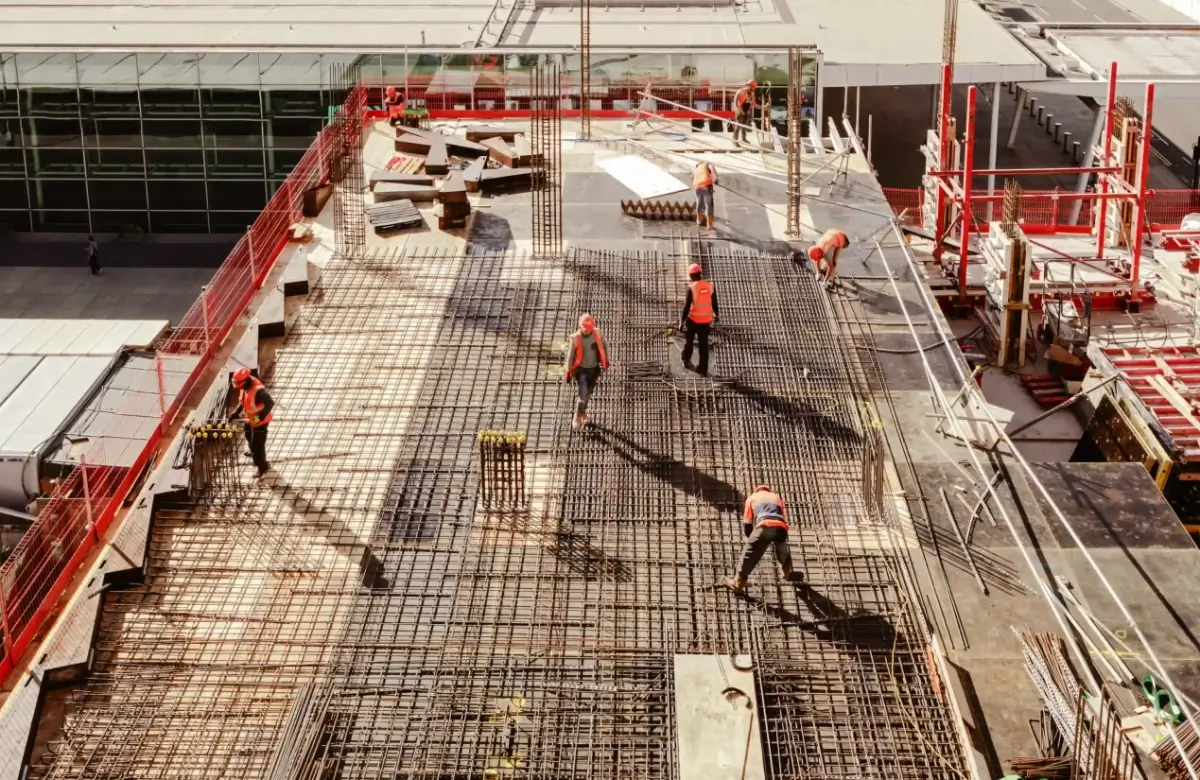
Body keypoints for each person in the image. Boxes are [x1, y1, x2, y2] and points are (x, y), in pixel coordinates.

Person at [724, 484, 797, 593]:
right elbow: (782, 516)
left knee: (748, 554)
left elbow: (748, 522)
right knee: (782, 550)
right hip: (781, 527)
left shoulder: (752, 497)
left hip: (765, 526)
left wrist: (752, 539)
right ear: (769, 490)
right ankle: (787, 573)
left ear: (757, 490)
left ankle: (738, 584)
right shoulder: (777, 498)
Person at [564, 313, 610, 430]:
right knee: (583, 393)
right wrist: (568, 369)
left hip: (594, 369)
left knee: (588, 393)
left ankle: (582, 413)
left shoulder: (597, 333)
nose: (587, 332)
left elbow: (604, 346)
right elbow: (570, 355)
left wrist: (606, 361)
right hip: (581, 370)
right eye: (585, 330)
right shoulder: (576, 338)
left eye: (589, 330)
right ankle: (577, 416)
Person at [231, 367, 274, 478]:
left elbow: (270, 403)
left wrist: (260, 417)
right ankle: (255, 454)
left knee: (258, 446)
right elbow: (243, 401)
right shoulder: (245, 386)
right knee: (248, 435)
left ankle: (263, 467)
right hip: (250, 418)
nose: (237, 386)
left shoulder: (259, 390)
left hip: (260, 420)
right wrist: (236, 413)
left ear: (244, 381)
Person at [679, 263, 718, 376]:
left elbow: (687, 307)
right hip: (705, 321)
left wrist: (682, 322)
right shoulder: (710, 286)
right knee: (703, 346)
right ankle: (703, 369)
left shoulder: (692, 288)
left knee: (689, 341)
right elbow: (714, 302)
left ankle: (686, 359)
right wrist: (717, 314)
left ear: (691, 276)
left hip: (693, 320)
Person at [692, 161, 718, 231]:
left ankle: (699, 220)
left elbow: (692, 177)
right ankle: (709, 224)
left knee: (699, 203)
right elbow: (713, 172)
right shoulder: (708, 164)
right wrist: (716, 180)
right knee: (708, 204)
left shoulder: (696, 168)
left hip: (697, 186)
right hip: (706, 185)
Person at [732, 79, 757, 144]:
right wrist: (740, 110)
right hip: (740, 110)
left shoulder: (751, 93)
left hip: (746, 110)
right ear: (749, 85)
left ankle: (743, 138)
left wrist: (749, 110)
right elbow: (735, 100)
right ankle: (735, 141)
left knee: (744, 126)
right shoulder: (741, 91)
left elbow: (753, 103)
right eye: (753, 87)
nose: (754, 88)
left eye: (754, 87)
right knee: (738, 126)